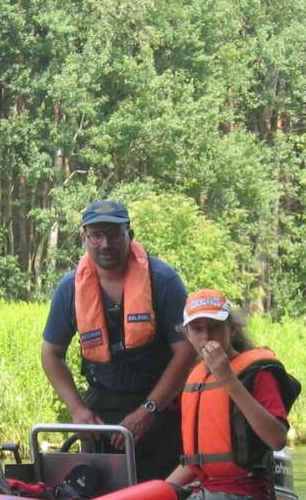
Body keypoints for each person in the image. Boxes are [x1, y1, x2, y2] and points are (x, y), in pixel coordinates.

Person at [41, 200, 196, 482]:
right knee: (97, 487)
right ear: (84, 238)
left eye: (114, 234)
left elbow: (187, 351)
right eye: (96, 235)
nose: (105, 243)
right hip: (103, 412)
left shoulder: (163, 280)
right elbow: (51, 353)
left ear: (130, 235)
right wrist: (77, 410)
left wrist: (148, 410)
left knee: (161, 487)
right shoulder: (69, 289)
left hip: (160, 408)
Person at [166, 289, 301, 500]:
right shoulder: (195, 379)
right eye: (198, 329)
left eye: (215, 327)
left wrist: (229, 381)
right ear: (187, 333)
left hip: (246, 498)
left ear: (232, 328)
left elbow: (277, 439)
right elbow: (193, 461)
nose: (207, 336)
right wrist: (160, 491)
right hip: (205, 491)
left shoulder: (256, 373)